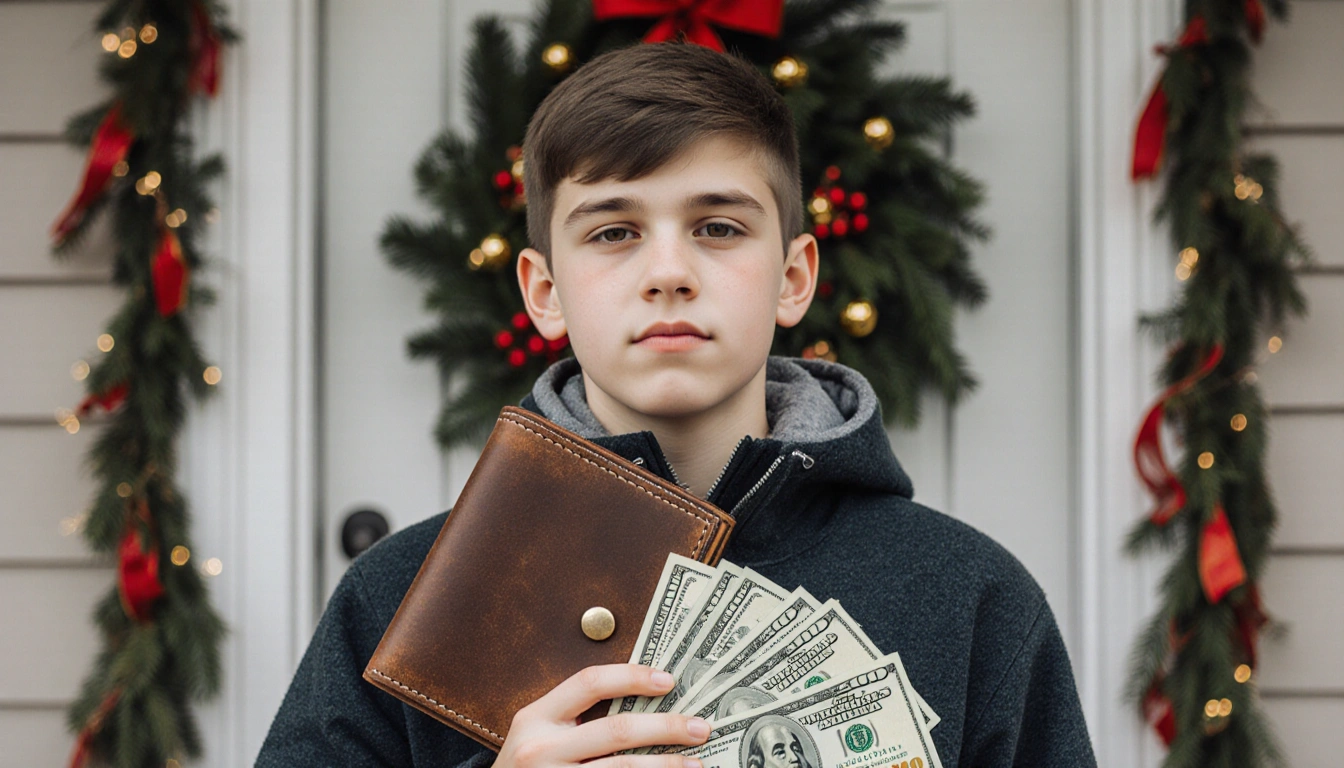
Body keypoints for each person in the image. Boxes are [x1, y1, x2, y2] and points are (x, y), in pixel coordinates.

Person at [257, 42, 1096, 767]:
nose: (668, 272)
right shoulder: (400, 601)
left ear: (794, 277)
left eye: (718, 227)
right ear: (544, 292)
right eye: (613, 232)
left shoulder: (974, 598)